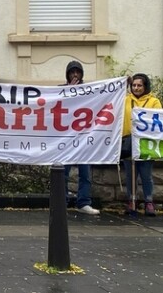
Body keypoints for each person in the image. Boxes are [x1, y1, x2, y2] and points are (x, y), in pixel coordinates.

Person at [122, 73, 161, 216]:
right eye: (134, 85)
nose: (136, 88)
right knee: (130, 175)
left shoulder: (154, 102)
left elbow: (158, 120)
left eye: (139, 85)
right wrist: (123, 83)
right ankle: (131, 200)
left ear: (145, 86)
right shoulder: (125, 100)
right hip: (128, 142)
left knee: (146, 174)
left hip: (146, 143)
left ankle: (148, 201)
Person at [63, 60, 99, 215]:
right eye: (72, 72)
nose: (75, 75)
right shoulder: (61, 90)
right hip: (65, 138)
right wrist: (69, 91)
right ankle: (61, 202)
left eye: (78, 72)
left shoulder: (89, 90)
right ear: (68, 75)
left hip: (84, 137)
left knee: (85, 173)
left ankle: (83, 202)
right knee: (62, 173)